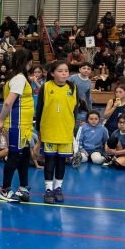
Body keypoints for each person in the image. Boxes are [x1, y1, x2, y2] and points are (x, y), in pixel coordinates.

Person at [0, 49, 34, 203]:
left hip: (24, 126)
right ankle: (5, 190)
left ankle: (23, 187)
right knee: (14, 156)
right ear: (27, 61)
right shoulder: (19, 79)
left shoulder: (18, 78)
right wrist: (1, 120)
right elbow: (8, 102)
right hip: (17, 124)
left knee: (24, 155)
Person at [35, 61, 78, 204]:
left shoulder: (73, 88)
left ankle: (58, 188)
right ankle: (48, 189)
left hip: (65, 131)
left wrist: (72, 128)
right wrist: (39, 129)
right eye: (60, 71)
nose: (64, 73)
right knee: (50, 161)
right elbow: (39, 109)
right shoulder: (46, 87)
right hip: (49, 130)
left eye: (66, 71)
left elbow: (75, 111)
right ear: (52, 73)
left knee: (61, 162)